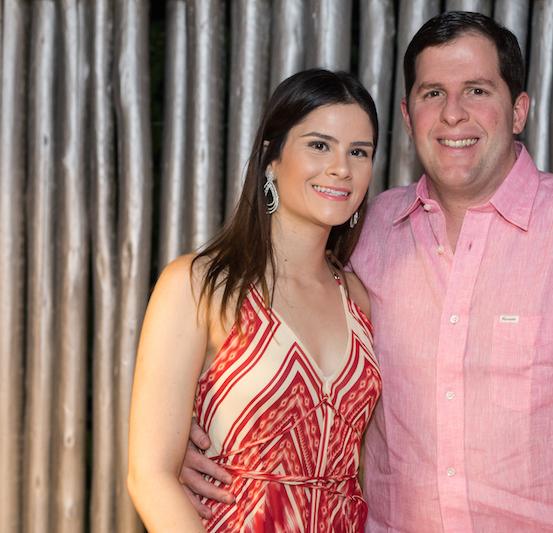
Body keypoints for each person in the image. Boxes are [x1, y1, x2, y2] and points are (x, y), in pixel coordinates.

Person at [182, 12, 553, 532]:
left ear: (518, 111)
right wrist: (196, 432)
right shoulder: (365, 233)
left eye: (477, 90)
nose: (453, 114)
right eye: (433, 93)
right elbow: (289, 355)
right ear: (409, 117)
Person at [127, 69, 382, 532]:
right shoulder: (199, 286)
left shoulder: (359, 299)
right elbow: (150, 476)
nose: (341, 168)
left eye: (358, 152)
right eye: (319, 145)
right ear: (271, 159)